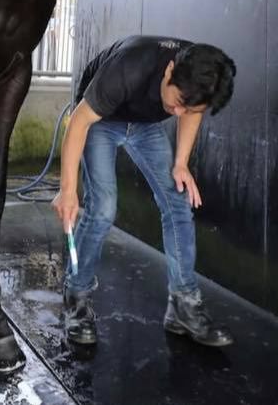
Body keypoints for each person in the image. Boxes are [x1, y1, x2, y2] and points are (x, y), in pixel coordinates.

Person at [51, 35, 237, 346]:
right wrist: (68, 189)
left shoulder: (198, 75)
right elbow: (79, 122)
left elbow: (193, 110)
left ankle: (183, 307)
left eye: (186, 106)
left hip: (145, 126)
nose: (177, 112)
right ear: (168, 72)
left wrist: (181, 163)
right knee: (103, 207)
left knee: (178, 202)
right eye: (177, 101)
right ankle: (77, 298)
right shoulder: (129, 66)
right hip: (101, 121)